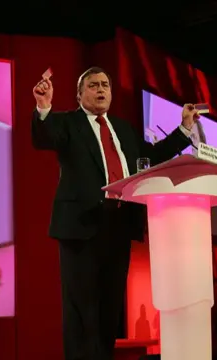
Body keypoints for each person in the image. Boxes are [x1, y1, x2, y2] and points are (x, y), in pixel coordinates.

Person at [31, 66, 198, 360]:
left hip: (118, 226)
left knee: (109, 312)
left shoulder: (123, 128)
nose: (101, 90)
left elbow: (153, 157)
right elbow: (44, 136)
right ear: (80, 94)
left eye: (105, 85)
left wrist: (184, 128)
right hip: (80, 228)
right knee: (82, 313)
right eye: (93, 85)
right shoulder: (69, 123)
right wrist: (44, 106)